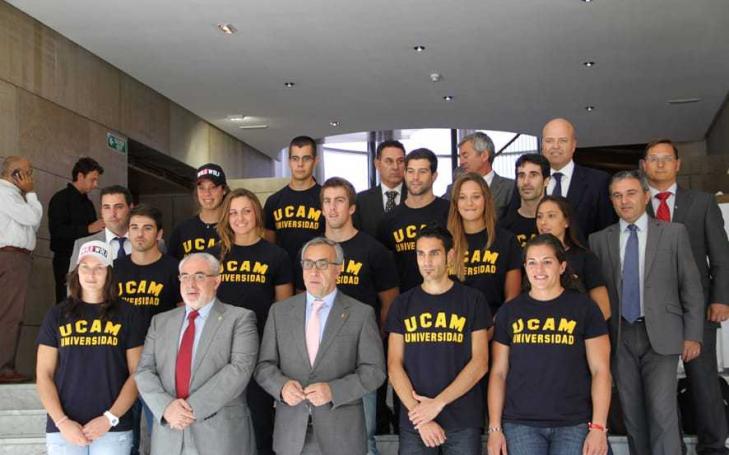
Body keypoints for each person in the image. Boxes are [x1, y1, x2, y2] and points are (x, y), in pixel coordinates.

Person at [589, 170, 704, 454]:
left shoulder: (673, 233)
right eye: (617, 195)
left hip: (662, 334)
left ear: (645, 195)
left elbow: (691, 287)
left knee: (662, 411)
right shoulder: (599, 240)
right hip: (619, 335)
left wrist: (693, 334)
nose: (624, 201)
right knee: (632, 414)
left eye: (630, 193)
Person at [255, 237, 386, 455]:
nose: (314, 271)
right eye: (308, 264)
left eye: (322, 264)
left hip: (341, 436)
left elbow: (374, 371)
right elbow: (264, 366)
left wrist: (333, 391)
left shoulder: (361, 314)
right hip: (292, 436)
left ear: (339, 269)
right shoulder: (280, 312)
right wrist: (281, 387)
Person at [640, 139, 729, 455]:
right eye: (653, 158)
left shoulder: (702, 203)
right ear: (644, 165)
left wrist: (721, 298)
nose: (660, 164)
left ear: (678, 164)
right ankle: (671, 447)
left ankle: (714, 446)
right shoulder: (636, 203)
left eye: (666, 158)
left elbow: (721, 256)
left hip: (698, 307)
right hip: (652, 309)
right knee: (660, 386)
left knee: (703, 381)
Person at [487, 234, 611, 455]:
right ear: (525, 267)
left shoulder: (584, 308)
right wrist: (495, 428)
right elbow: (498, 373)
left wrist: (598, 427)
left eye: (547, 262)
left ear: (562, 266)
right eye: (532, 262)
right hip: (520, 423)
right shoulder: (510, 311)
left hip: (573, 422)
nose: (539, 269)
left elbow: (600, 371)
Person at [136, 253, 259, 455]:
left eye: (200, 276)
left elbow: (239, 370)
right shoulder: (160, 321)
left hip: (220, 436)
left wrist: (187, 411)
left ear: (216, 281)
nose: (190, 284)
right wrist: (167, 408)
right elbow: (144, 371)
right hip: (169, 435)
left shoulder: (240, 318)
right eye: (185, 276)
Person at [386, 225, 490, 454]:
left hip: (462, 419)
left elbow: (480, 362)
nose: (427, 261)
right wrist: (420, 415)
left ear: (450, 255)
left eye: (434, 253)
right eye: (421, 254)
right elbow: (394, 365)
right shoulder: (402, 304)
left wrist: (437, 404)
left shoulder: (472, 300)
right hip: (415, 421)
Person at [36, 240, 144, 454]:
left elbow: (137, 373)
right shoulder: (57, 315)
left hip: (113, 428)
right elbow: (43, 374)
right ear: (76, 272)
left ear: (109, 273)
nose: (91, 274)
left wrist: (109, 418)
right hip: (64, 428)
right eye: (85, 267)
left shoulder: (128, 314)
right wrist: (62, 421)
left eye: (99, 268)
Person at [210, 188, 294, 455]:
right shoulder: (214, 256)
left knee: (260, 418)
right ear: (226, 217)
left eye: (246, 211)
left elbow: (283, 310)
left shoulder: (276, 256)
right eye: (233, 212)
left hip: (260, 349)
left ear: (257, 213)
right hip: (220, 351)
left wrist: (277, 353)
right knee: (221, 418)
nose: (240, 218)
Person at [321, 176, 399, 453]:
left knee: (364, 436)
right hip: (319, 356)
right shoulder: (312, 251)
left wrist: (373, 343)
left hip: (361, 358)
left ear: (352, 207)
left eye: (339, 201)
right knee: (321, 436)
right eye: (327, 201)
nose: (332, 208)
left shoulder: (374, 251)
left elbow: (390, 304)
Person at [114, 204, 179, 455]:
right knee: (125, 434)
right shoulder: (115, 269)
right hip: (121, 362)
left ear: (159, 234)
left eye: (147, 228)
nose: (140, 234)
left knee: (160, 431)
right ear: (127, 232)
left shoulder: (174, 269)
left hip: (161, 362)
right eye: (134, 228)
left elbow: (184, 315)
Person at [448, 172, 521, 317]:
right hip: (452, 325)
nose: (469, 203)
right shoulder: (445, 242)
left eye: (476, 197)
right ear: (455, 203)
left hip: (495, 324)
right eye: (462, 197)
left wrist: (494, 324)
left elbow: (512, 297)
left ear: (486, 199)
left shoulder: (506, 241)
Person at [377, 148, 450, 293]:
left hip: (445, 296)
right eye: (410, 171)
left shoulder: (449, 212)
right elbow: (384, 270)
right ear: (404, 174)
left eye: (422, 172)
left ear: (434, 176)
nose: (415, 177)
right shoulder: (389, 220)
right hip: (405, 299)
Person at [0, 156, 42, 383]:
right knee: (10, 314)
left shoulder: (15, 196)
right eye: (28, 172)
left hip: (15, 258)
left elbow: (33, 224)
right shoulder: (4, 193)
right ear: (16, 174)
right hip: (11, 258)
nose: (31, 177)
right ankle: (3, 368)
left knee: (9, 313)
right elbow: (33, 217)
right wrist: (31, 193)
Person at [264, 136, 326, 291]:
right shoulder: (274, 201)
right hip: (282, 279)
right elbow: (269, 247)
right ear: (289, 161)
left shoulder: (325, 199)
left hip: (317, 277)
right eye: (295, 158)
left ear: (315, 161)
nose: (300, 164)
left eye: (306, 158)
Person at [536, 196, 611, 320]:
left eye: (551, 216)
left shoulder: (585, 257)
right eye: (539, 216)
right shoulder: (531, 257)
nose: (543, 222)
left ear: (566, 221)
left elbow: (604, 310)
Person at [541, 118, 615, 240]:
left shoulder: (598, 182)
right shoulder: (530, 182)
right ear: (542, 145)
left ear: (574, 145)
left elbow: (607, 232)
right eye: (549, 141)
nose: (555, 146)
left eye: (563, 141)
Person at [49, 157, 104, 302]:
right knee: (66, 300)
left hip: (87, 260)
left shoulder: (88, 204)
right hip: (66, 259)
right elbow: (57, 231)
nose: (96, 184)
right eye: (93, 180)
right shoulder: (60, 199)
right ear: (80, 176)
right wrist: (88, 229)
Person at [443, 132, 514, 220]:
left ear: (484, 156)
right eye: (460, 157)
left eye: (465, 156)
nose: (461, 162)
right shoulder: (453, 189)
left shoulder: (510, 188)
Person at [167, 163, 229, 259]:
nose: (207, 193)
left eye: (213, 187)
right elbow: (171, 265)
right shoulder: (182, 230)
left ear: (224, 190)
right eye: (201, 188)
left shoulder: (234, 228)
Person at [69, 185, 134, 270]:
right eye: (107, 207)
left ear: (130, 208)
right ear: (101, 211)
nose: (112, 214)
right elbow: (73, 278)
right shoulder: (83, 245)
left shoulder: (147, 242)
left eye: (118, 207)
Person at [354, 140, 408, 237]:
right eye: (389, 161)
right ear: (377, 164)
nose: (395, 167)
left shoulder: (416, 197)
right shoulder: (360, 201)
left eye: (400, 161)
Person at [499, 153, 550, 248]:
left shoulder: (556, 222)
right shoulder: (503, 224)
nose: (526, 182)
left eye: (533, 175)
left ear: (546, 181)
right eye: (521, 175)